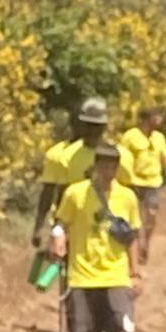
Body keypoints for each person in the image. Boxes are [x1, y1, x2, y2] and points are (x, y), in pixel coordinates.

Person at [54, 142, 142, 332]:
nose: (108, 170)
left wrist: (135, 272)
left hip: (115, 275)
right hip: (82, 277)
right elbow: (61, 223)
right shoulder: (75, 194)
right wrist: (58, 239)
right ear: (95, 166)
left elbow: (131, 237)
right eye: (103, 164)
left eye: (113, 165)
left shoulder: (127, 197)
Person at [32, 97, 108, 248]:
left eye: (97, 126)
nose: (91, 130)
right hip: (71, 223)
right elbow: (50, 193)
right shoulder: (63, 156)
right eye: (88, 125)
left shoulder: (113, 156)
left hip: (102, 223)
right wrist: (40, 227)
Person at [116, 106, 166, 263]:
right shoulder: (130, 136)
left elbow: (165, 160)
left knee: (152, 214)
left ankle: (146, 241)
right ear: (147, 118)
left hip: (153, 181)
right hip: (134, 182)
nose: (160, 120)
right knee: (136, 217)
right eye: (157, 116)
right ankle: (138, 245)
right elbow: (122, 157)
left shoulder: (159, 138)